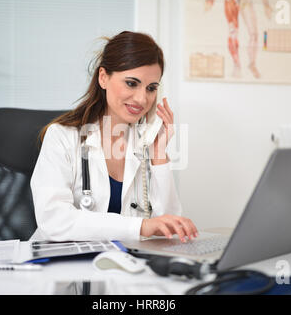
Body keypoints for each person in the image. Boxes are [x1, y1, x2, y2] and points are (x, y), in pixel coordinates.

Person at [30, 31, 198, 243]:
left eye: (151, 88)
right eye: (131, 83)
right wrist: (141, 227)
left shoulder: (146, 144)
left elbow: (169, 226)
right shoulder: (62, 137)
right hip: (60, 266)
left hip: (122, 268)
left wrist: (159, 154)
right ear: (103, 78)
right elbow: (54, 221)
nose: (141, 98)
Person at [205, 0, 272, 78]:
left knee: (254, 35)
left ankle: (252, 63)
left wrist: (266, 4)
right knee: (233, 33)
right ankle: (237, 65)